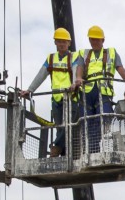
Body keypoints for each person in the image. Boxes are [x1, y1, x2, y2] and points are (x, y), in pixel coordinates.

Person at [72, 25, 125, 152]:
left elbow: (120, 69)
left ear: (103, 40)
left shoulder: (111, 53)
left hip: (103, 91)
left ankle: (95, 147)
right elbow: (79, 68)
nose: (94, 42)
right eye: (92, 39)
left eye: (97, 39)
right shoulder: (84, 53)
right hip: (87, 92)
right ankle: (89, 150)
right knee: (86, 121)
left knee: (103, 120)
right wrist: (78, 78)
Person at [20, 27, 80, 157]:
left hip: (70, 98)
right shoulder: (51, 59)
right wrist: (30, 90)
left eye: (64, 42)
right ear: (55, 43)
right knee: (59, 128)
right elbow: (41, 75)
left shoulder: (73, 57)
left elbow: (76, 72)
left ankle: (56, 148)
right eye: (59, 41)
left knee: (67, 125)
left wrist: (74, 84)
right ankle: (63, 154)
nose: (62, 44)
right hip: (56, 99)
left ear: (69, 43)